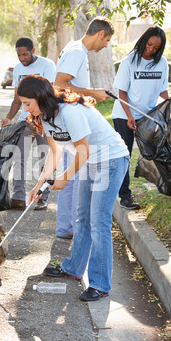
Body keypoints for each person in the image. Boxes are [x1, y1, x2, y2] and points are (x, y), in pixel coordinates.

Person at [17, 75, 129, 301]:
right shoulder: (46, 117)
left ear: (40, 97)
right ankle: (74, 269)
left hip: (111, 160)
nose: (25, 108)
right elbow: (55, 152)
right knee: (82, 216)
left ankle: (100, 284)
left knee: (99, 221)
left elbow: (83, 151)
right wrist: (40, 184)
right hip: (90, 163)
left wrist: (65, 178)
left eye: (27, 103)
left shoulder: (70, 112)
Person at [54, 16, 114, 239]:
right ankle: (70, 228)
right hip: (72, 120)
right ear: (100, 34)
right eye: (106, 40)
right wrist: (92, 92)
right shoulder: (77, 51)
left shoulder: (74, 47)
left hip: (73, 115)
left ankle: (67, 227)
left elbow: (69, 86)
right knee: (75, 175)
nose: (106, 45)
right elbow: (59, 84)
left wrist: (86, 97)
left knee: (74, 173)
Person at [112, 26, 171, 210]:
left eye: (156, 47)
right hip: (124, 114)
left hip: (148, 115)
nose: (151, 49)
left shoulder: (162, 63)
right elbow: (121, 92)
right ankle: (124, 196)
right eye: (149, 44)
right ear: (144, 40)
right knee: (124, 155)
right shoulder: (130, 61)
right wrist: (129, 116)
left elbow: (163, 90)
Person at [1, 37, 56, 210]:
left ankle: (42, 197)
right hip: (24, 121)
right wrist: (9, 117)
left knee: (43, 158)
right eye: (19, 55)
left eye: (25, 54)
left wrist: (43, 118)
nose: (22, 58)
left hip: (43, 119)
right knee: (19, 158)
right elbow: (17, 98)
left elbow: (50, 94)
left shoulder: (47, 66)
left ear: (33, 50)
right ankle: (18, 198)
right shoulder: (18, 69)